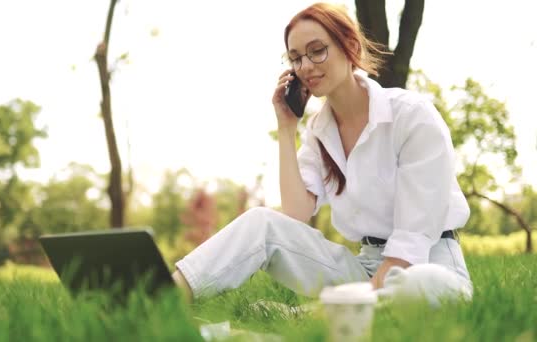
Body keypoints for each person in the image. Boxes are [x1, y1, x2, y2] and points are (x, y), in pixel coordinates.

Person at [172, 2, 473, 305]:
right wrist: (287, 128)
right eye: (295, 58)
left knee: (418, 287)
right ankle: (164, 297)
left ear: (350, 46)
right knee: (260, 223)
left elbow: (411, 243)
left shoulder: (412, 115)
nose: (306, 66)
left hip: (427, 263)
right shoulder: (319, 132)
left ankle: (323, 314)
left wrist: (356, 297)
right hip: (365, 266)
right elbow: (295, 215)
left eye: (317, 51)